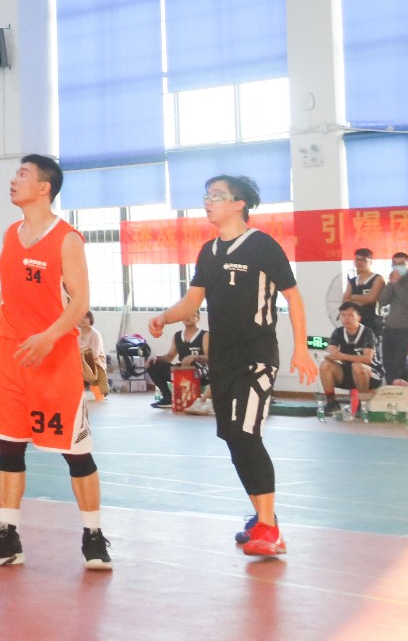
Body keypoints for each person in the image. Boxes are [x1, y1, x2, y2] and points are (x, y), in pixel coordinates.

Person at [149, 174, 318, 558]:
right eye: (206, 195)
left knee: (246, 434)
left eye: (217, 195)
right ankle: (262, 516)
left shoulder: (262, 246)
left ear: (239, 203)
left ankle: (271, 529)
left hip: (255, 357)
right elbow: (192, 302)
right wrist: (164, 317)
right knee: (233, 437)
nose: (207, 201)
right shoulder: (208, 251)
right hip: (221, 360)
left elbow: (293, 297)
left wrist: (302, 349)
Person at [0, 155, 110, 571]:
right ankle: (8, 537)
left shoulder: (66, 239)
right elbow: (5, 297)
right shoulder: (11, 234)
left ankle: (94, 537)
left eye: (23, 174)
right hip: (12, 357)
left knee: (75, 453)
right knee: (9, 446)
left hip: (53, 358)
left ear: (44, 187)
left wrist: (50, 335)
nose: (14, 179)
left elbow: (80, 302)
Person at [319, 301, 384, 416]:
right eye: (343, 315)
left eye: (350, 315)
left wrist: (341, 356)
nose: (346, 318)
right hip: (349, 374)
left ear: (358, 318)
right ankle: (331, 402)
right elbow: (329, 354)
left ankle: (362, 404)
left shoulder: (368, 333)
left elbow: (367, 359)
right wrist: (332, 355)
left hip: (371, 374)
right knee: (325, 365)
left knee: (357, 366)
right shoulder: (338, 332)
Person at [146, 310, 209, 409]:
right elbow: (169, 357)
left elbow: (210, 357)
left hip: (201, 373)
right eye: (186, 314)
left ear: (198, 318)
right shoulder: (177, 336)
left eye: (192, 315)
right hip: (182, 372)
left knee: (190, 364)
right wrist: (156, 358)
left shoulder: (204, 335)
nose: (188, 317)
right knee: (153, 364)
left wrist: (195, 357)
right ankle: (167, 397)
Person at [376, 252, 408, 385]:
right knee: (388, 363)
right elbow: (383, 301)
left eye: (401, 264)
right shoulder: (393, 279)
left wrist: (396, 284)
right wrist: (391, 283)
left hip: (406, 328)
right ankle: (391, 390)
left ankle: (405, 389)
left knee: (400, 364)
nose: (397, 267)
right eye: (394, 264)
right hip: (390, 327)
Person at [342, 249, 386, 334]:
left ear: (371, 262)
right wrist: (359, 301)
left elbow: (371, 298)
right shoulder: (352, 281)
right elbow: (345, 299)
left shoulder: (378, 279)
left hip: (373, 322)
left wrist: (353, 297)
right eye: (357, 260)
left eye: (363, 260)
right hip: (354, 323)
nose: (359, 263)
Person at [78, 311, 108, 401]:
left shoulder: (95, 334)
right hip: (81, 360)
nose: (83, 320)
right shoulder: (76, 333)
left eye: (86, 318)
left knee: (88, 356)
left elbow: (95, 353)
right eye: (81, 317)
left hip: (94, 361)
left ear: (91, 320)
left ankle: (98, 391)